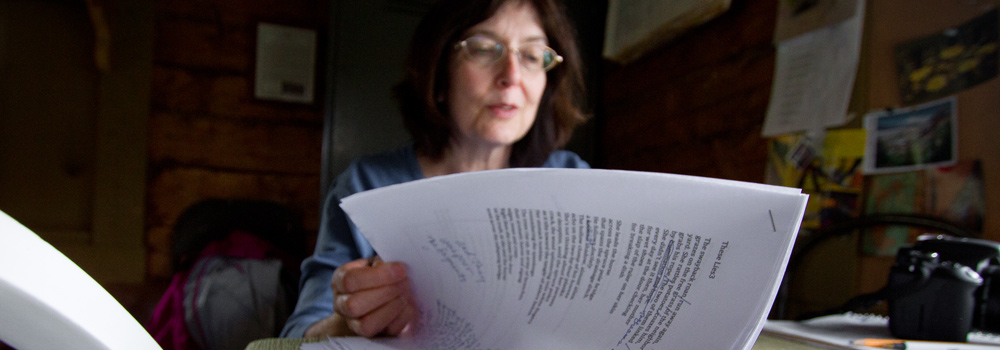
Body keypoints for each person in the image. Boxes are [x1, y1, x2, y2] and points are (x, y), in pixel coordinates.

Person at [280, 0, 590, 339]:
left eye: (531, 56)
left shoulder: (575, 180)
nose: (511, 76)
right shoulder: (364, 185)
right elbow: (291, 340)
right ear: (439, 72)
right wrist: (347, 322)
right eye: (485, 49)